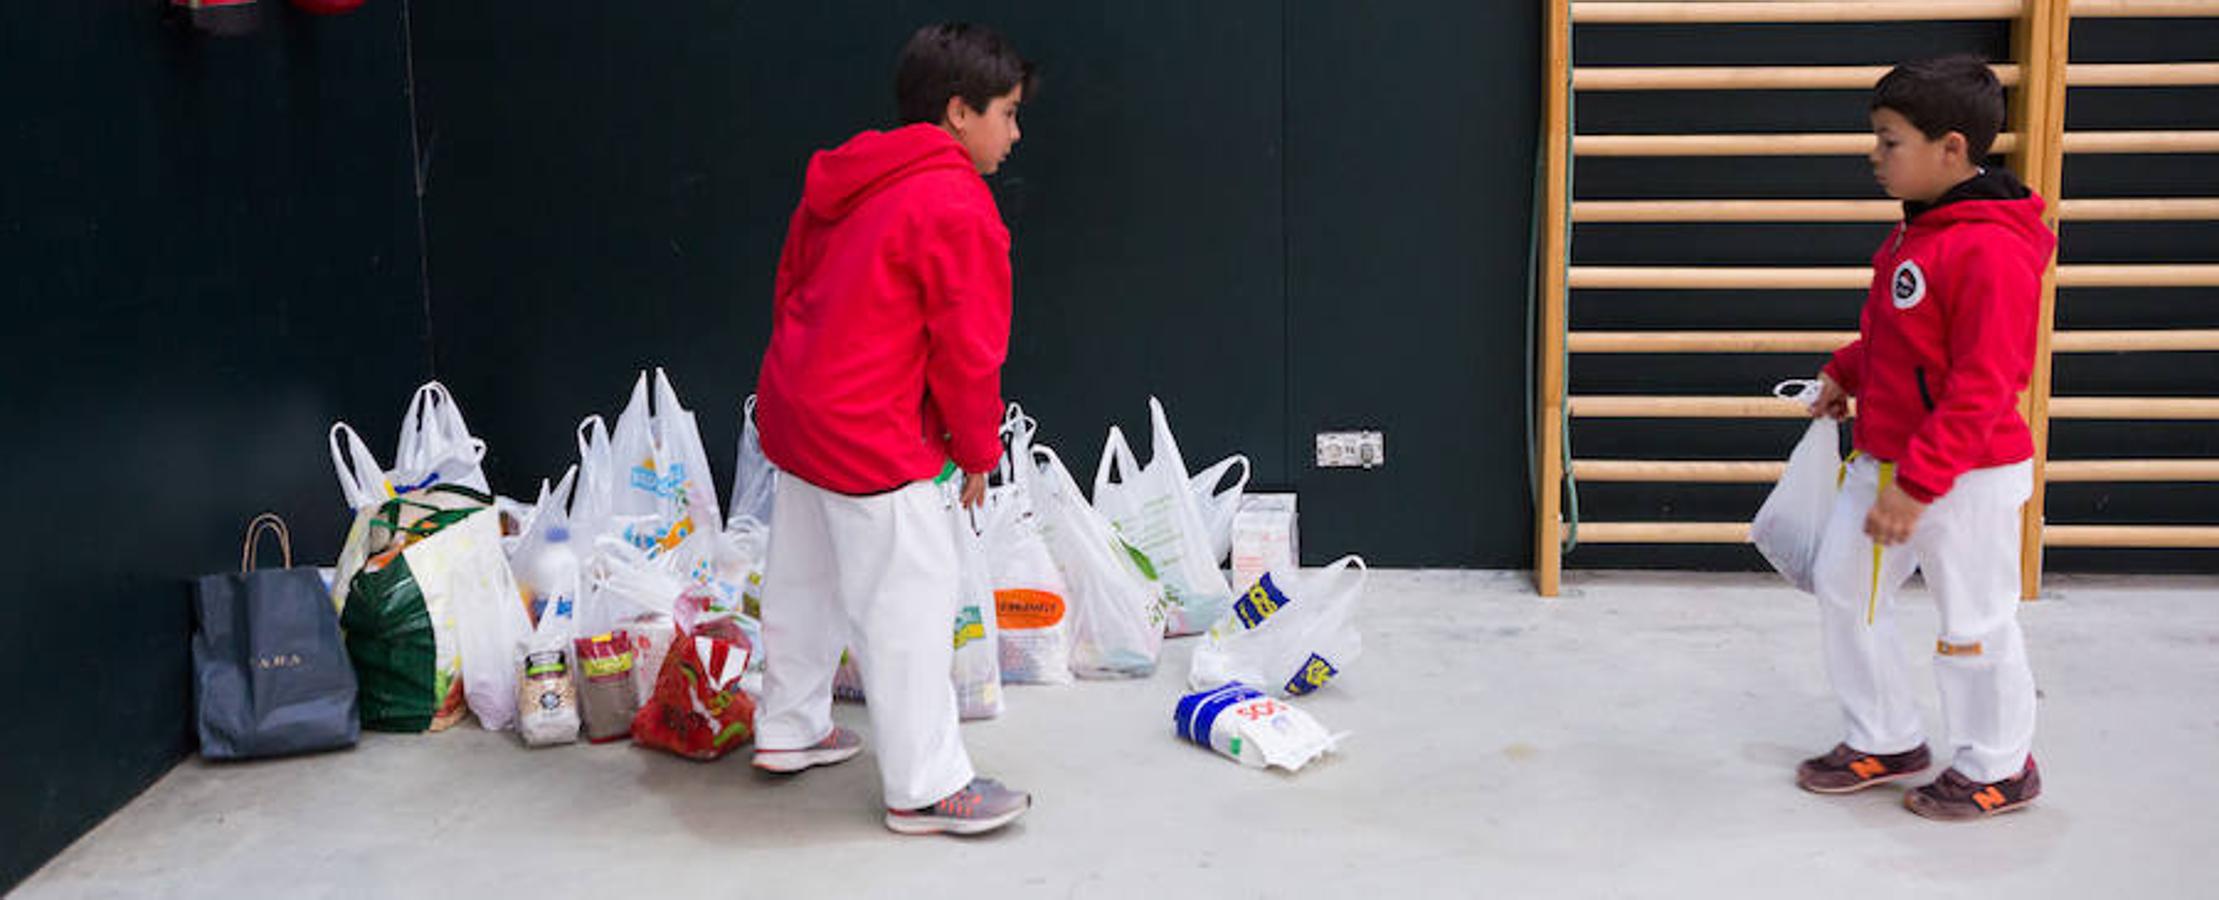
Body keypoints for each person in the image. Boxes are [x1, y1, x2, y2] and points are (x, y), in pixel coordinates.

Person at [749, 22, 1034, 836]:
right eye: (1006, 114)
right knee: (908, 605)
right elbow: (969, 351)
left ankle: (789, 728)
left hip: (798, 410)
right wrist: (976, 451)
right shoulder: (955, 204)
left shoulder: (847, 174)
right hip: (872, 434)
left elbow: (791, 282)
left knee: (801, 579)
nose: (1014, 135)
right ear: (956, 111)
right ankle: (926, 787)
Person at [1796, 55, 2056, 821]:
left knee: (1973, 622)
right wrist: (1847, 372)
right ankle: (1885, 737)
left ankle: (1999, 766)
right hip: (1886, 459)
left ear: (1951, 149)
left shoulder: (1989, 249)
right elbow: (1903, 341)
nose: (1874, 156)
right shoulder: (1923, 232)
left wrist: (1916, 487)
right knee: (1845, 589)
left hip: (1961, 476)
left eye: (1888, 142)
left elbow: (1981, 385)